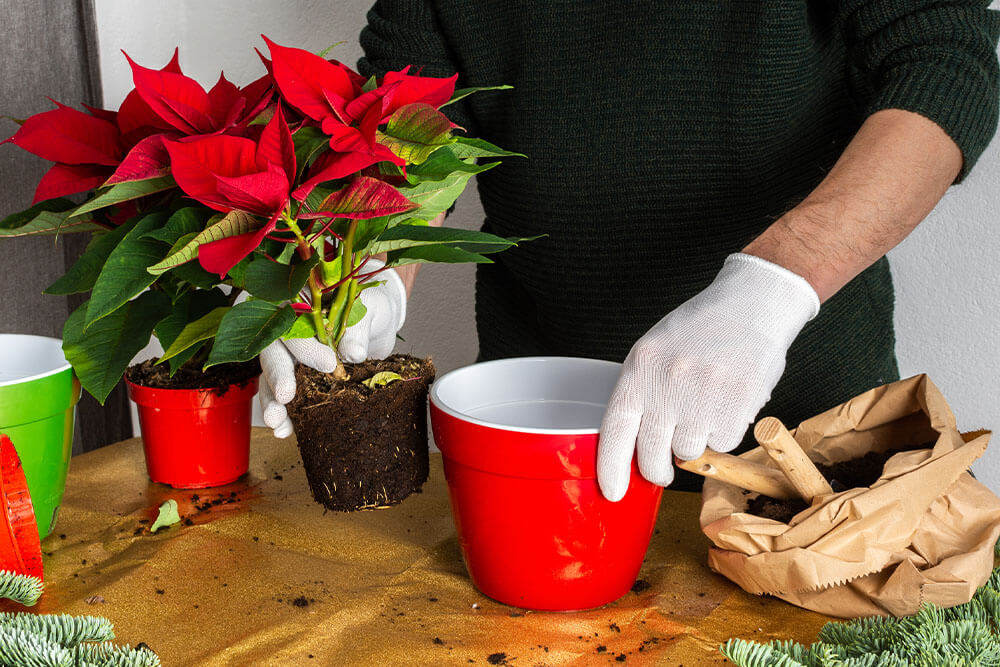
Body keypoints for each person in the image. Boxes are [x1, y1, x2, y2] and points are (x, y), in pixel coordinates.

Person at [261, 1, 1000, 498]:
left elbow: (946, 62)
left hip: (816, 458)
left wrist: (775, 283)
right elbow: (406, 97)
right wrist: (359, 265)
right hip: (545, 444)